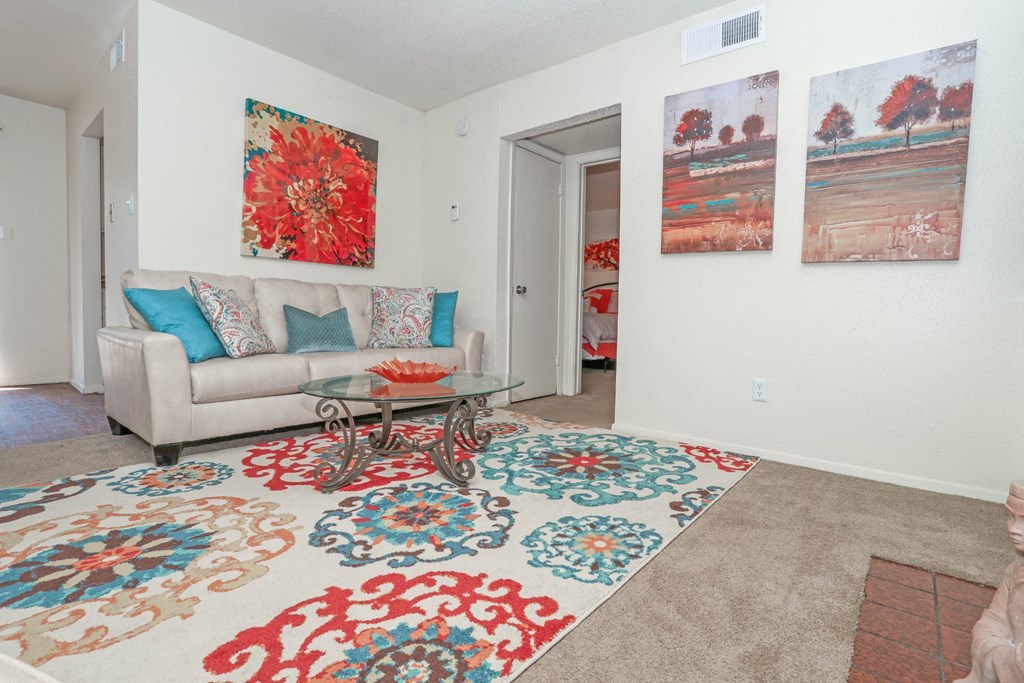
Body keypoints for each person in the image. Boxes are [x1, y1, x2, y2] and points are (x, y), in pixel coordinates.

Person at [957, 480, 1024, 682]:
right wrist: (1004, 657)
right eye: (1010, 516)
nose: (1014, 529)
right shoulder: (1014, 572)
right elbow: (990, 622)